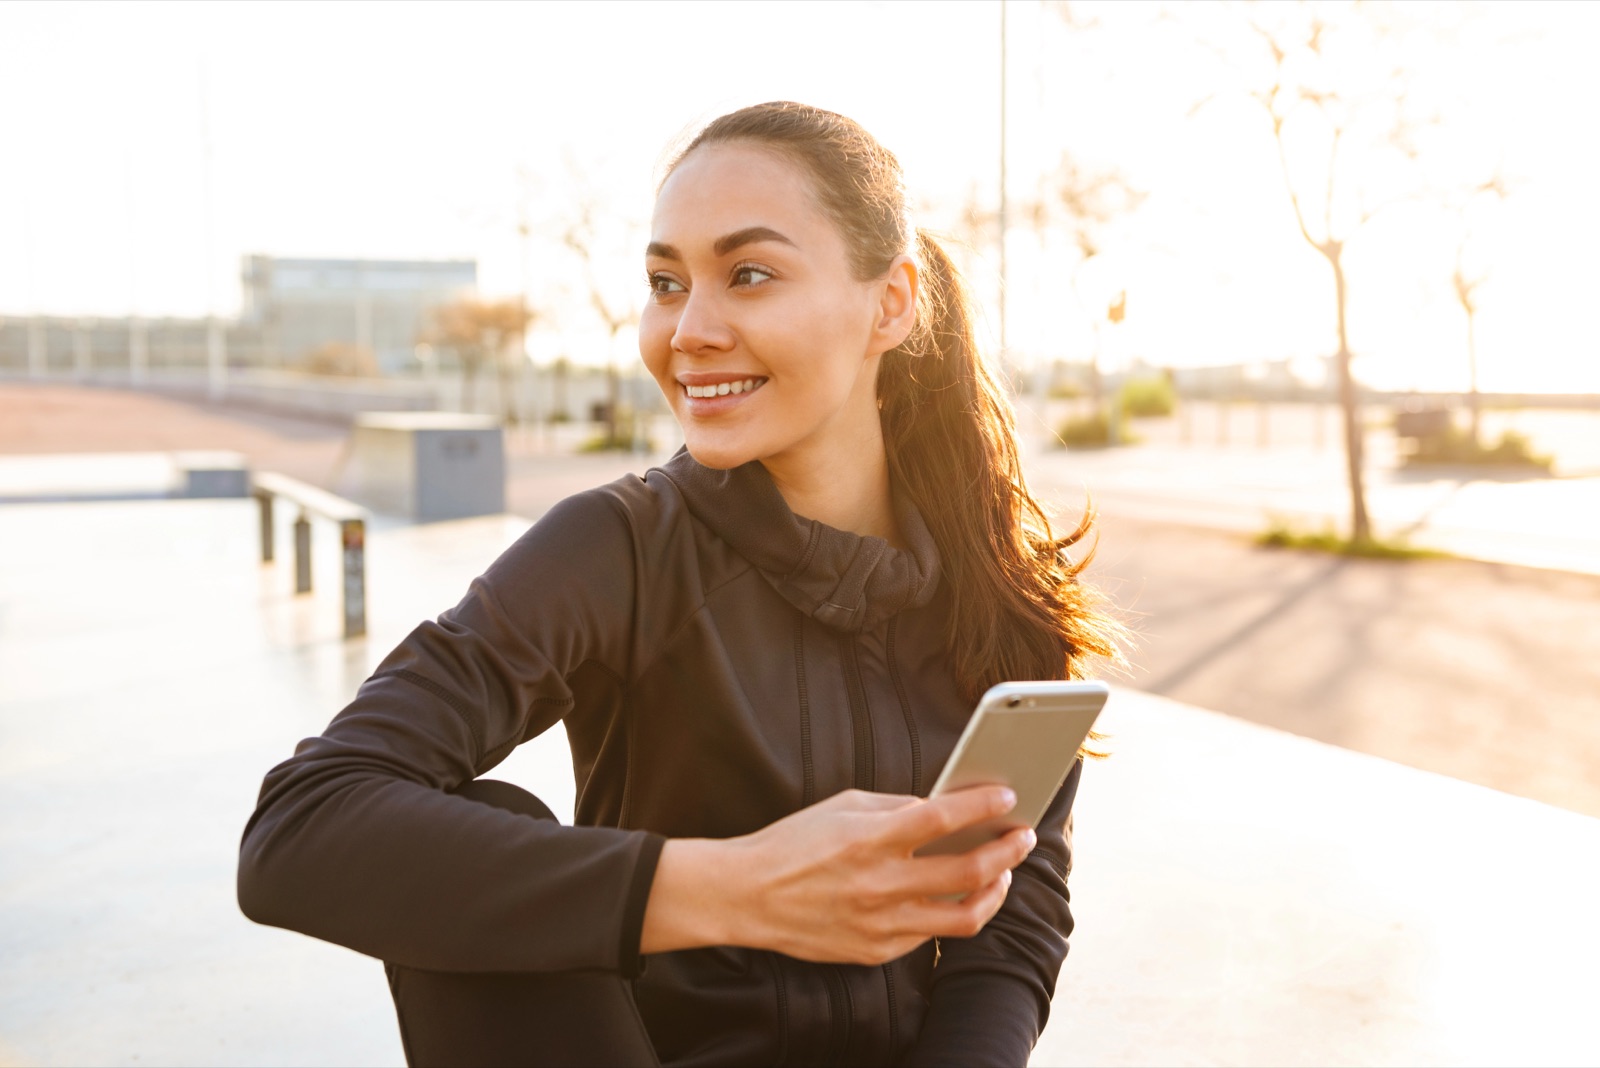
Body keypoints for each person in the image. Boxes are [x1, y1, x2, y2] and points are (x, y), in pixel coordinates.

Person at [238, 101, 1120, 1067]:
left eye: (749, 274)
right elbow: (301, 828)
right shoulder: (617, 548)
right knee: (484, 838)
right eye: (666, 282)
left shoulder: (997, 593)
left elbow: (1015, 921)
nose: (688, 330)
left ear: (892, 303)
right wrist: (737, 887)